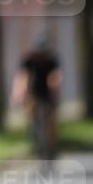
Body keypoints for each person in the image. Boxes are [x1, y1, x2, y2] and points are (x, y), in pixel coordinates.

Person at [11, 33, 62, 161]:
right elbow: (22, 77)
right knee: (31, 114)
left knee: (51, 119)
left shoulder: (51, 59)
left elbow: (56, 76)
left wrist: (55, 91)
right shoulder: (29, 59)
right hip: (33, 91)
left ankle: (52, 146)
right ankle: (35, 141)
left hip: (47, 92)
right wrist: (18, 93)